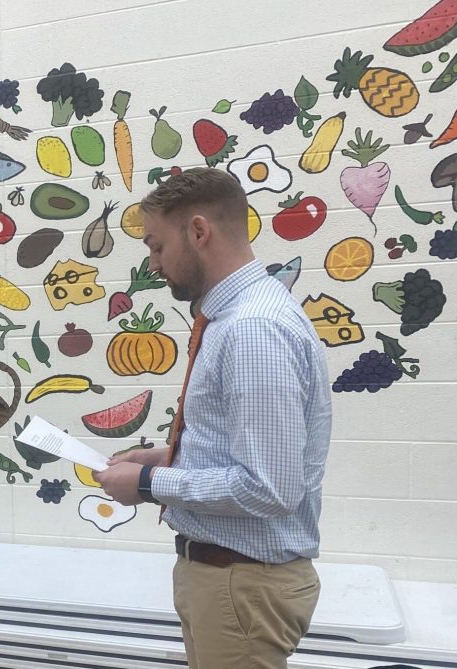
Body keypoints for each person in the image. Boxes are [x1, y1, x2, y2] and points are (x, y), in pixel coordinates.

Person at [94, 167, 332, 669]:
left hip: (239, 584)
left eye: (157, 247)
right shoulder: (242, 317)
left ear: (199, 232)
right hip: (230, 582)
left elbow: (269, 487)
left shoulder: (251, 331)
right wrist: (170, 455)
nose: (154, 264)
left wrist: (150, 481)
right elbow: (250, 451)